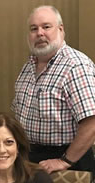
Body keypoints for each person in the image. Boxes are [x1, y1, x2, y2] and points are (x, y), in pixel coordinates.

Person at [12, 5, 95, 174]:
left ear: (61, 29)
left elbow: (91, 122)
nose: (40, 33)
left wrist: (64, 160)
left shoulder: (76, 66)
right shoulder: (28, 67)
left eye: (46, 26)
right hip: (31, 159)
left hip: (68, 163)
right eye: (34, 29)